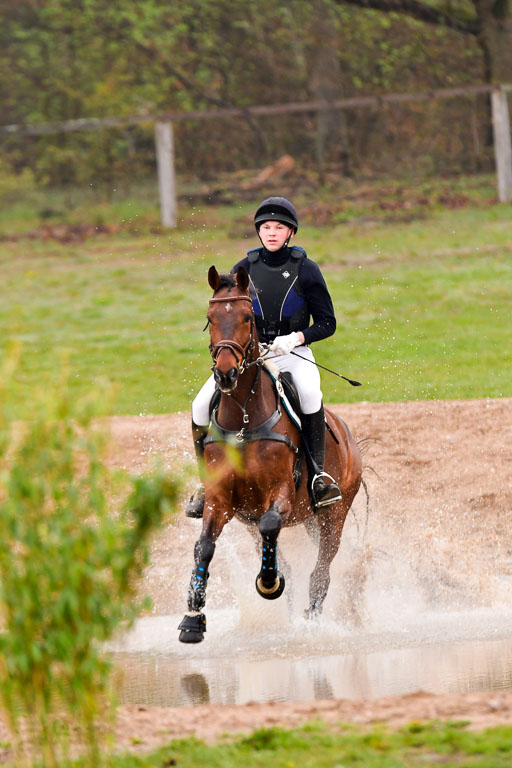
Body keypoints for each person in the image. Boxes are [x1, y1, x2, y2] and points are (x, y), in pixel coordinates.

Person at [186, 195, 341, 517]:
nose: (272, 232)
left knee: (311, 395)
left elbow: (328, 323)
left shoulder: (306, 270)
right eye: (266, 227)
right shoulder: (243, 268)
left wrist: (295, 338)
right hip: (250, 357)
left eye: (279, 227)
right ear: (259, 232)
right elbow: (229, 313)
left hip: (292, 352)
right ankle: (207, 483)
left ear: (291, 234)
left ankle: (319, 478)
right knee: (200, 405)